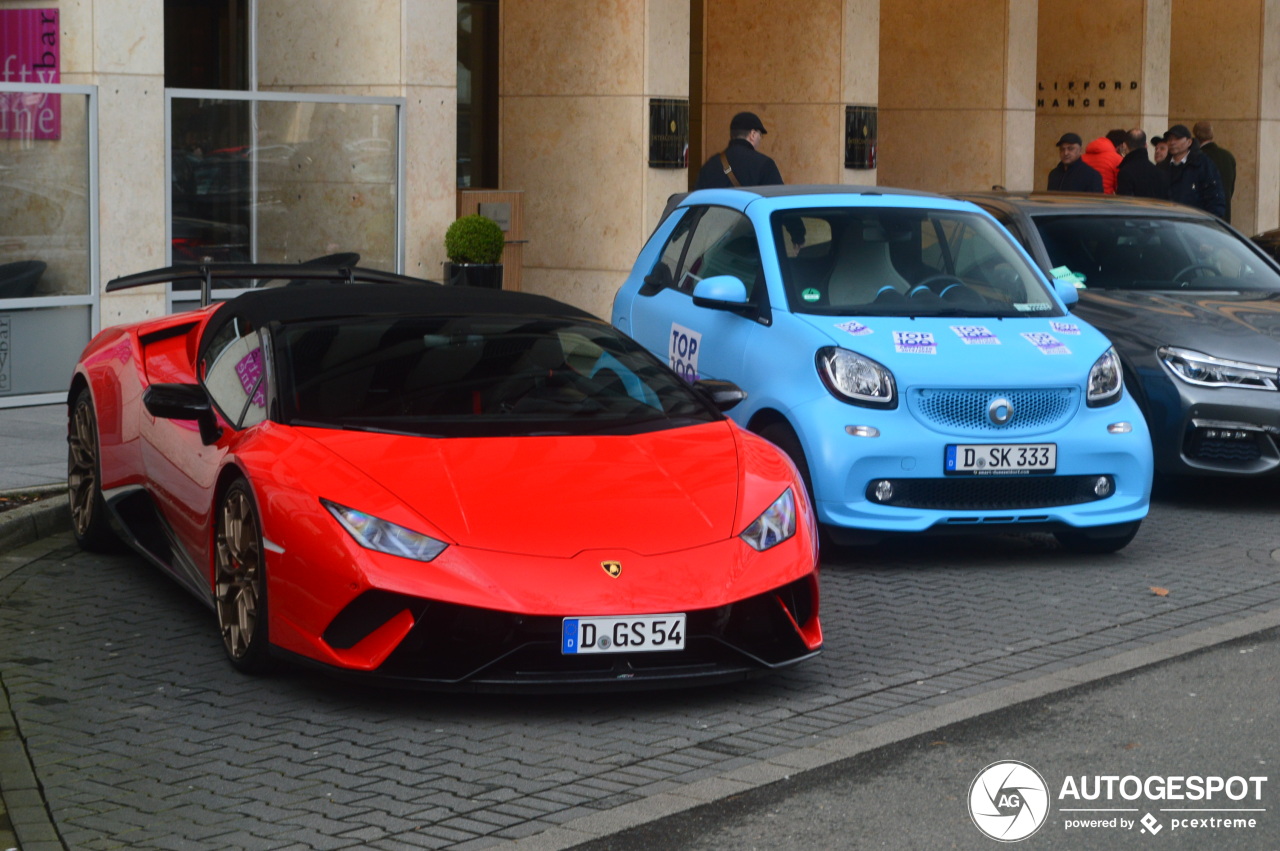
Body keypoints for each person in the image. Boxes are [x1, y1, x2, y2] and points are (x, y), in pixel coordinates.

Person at [694, 111, 784, 189]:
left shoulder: (711, 164)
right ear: (753, 134)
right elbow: (778, 200)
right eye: (760, 135)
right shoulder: (765, 164)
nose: (760, 139)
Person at [1159, 124, 1226, 218]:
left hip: (1194, 224)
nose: (1172, 142)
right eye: (1169, 139)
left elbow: (1215, 197)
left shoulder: (1203, 164)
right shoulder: (1162, 167)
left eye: (1177, 139)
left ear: (1189, 142)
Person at [1193, 121, 1237, 222]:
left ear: (1195, 136)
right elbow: (1231, 188)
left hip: (1204, 216)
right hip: (1224, 217)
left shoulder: (1198, 158)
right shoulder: (1228, 156)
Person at [1115, 129, 1170, 200]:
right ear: (1145, 145)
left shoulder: (1126, 172)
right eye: (1156, 149)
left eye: (1162, 149)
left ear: (1124, 145)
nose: (1157, 151)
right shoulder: (1160, 173)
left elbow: (1124, 203)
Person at [1082, 129, 1126, 193]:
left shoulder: (1081, 158)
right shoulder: (1117, 159)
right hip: (1105, 200)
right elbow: (1120, 186)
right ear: (1121, 146)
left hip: (1082, 199)